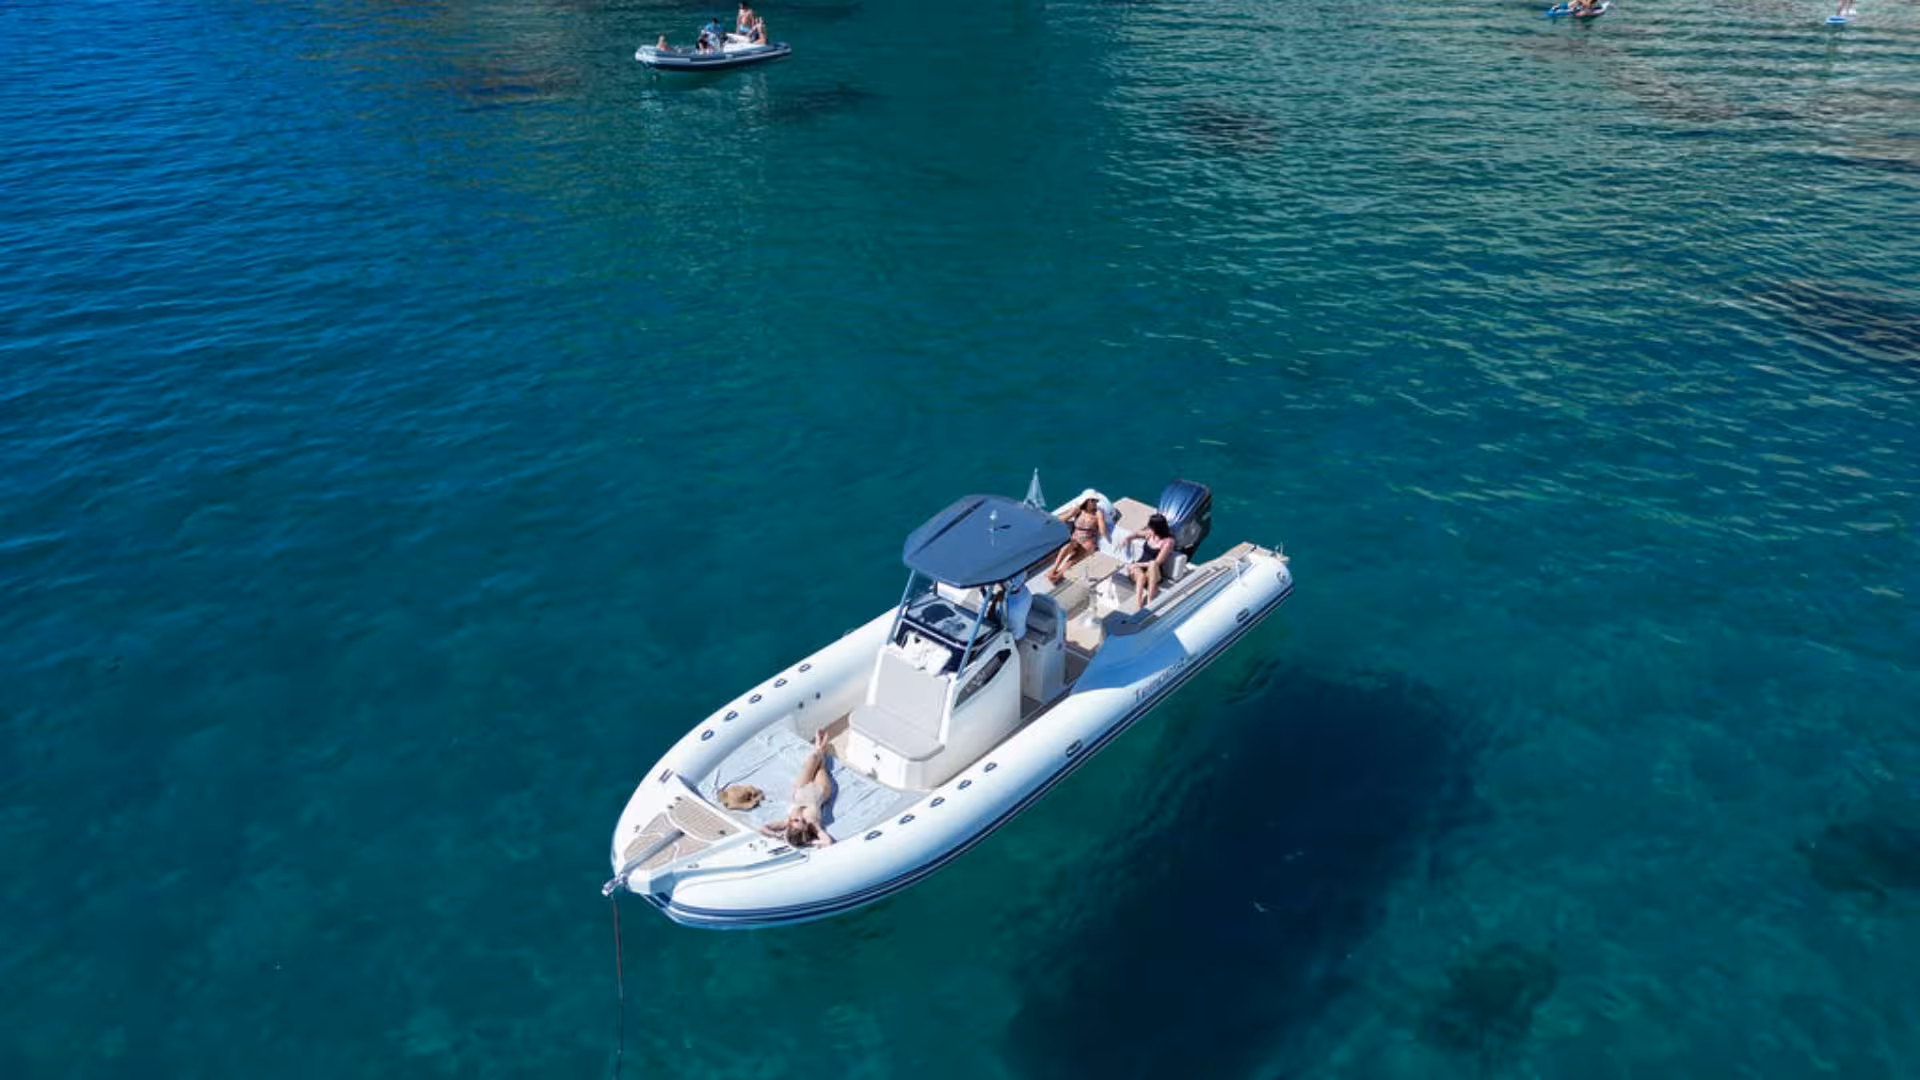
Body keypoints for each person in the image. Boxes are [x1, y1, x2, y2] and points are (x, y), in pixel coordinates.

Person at [758, 728, 836, 848]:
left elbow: (763, 828)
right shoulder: (813, 824)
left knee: (813, 759)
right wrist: (810, 842)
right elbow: (828, 842)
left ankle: (819, 748)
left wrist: (776, 835)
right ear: (806, 828)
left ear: (789, 824)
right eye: (803, 822)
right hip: (821, 790)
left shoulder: (785, 822)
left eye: (796, 821)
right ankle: (821, 748)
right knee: (821, 766)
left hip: (801, 788)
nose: (800, 818)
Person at [1046, 497, 1109, 585]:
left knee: (1073, 560)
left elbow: (1103, 532)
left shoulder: (1097, 513)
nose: (1095, 503)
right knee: (1067, 546)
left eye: (1096, 501)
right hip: (1075, 538)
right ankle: (1054, 569)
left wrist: (1101, 519)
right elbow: (1059, 520)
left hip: (1088, 540)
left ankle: (1059, 576)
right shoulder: (1078, 510)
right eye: (1093, 500)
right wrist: (1071, 513)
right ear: (1086, 501)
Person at [1126, 513, 1177, 609]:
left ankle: (1150, 599)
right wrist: (1127, 538)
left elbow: (1158, 562)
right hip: (1140, 569)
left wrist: (1136, 564)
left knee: (1153, 564)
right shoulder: (1150, 533)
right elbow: (1137, 533)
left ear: (1158, 528)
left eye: (1151, 527)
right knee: (1140, 577)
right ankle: (1139, 605)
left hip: (1153, 573)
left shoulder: (1168, 541)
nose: (1149, 529)